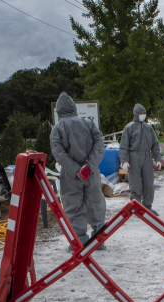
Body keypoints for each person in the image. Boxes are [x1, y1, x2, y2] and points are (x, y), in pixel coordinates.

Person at [50, 92, 107, 252]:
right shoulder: (89, 124)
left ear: (59, 110)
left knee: (73, 206)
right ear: (73, 107)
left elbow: (58, 153)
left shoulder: (57, 128)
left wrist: (76, 170)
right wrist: (89, 165)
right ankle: (99, 240)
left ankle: (79, 242)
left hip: (70, 175)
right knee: (96, 203)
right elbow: (99, 146)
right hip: (92, 173)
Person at [120, 104, 162, 216]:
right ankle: (136, 207)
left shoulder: (149, 128)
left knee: (148, 182)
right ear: (136, 114)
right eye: (141, 113)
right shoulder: (129, 128)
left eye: (144, 113)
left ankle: (147, 207)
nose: (143, 115)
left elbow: (155, 144)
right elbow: (124, 146)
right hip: (133, 158)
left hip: (147, 157)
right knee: (135, 184)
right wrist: (124, 160)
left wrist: (158, 159)